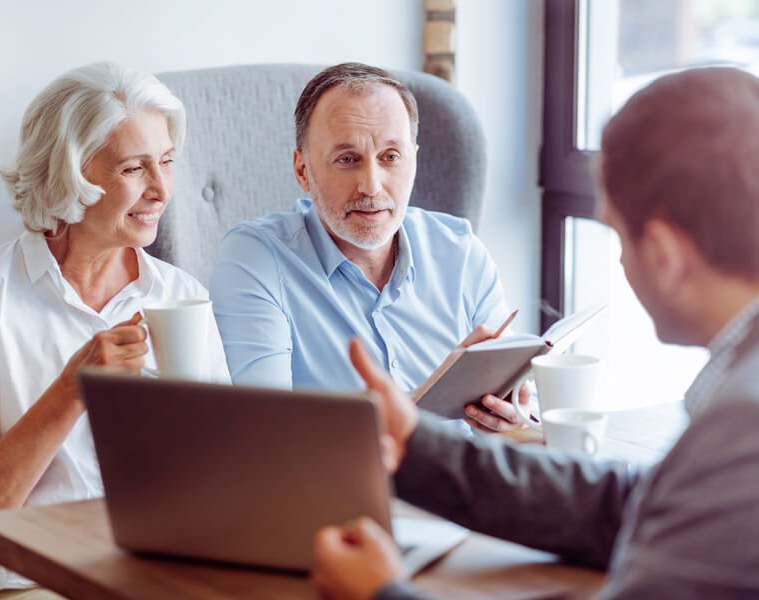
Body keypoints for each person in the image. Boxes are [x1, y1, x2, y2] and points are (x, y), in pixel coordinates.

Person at [310, 67, 759, 599]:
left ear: (664, 255)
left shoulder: (742, 422)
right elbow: (633, 506)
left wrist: (381, 594)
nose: (619, 259)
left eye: (616, 235)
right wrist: (415, 444)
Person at [0, 62, 230, 600]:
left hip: (159, 567)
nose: (161, 190)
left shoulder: (183, 296)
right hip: (27, 575)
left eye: (168, 163)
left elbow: (226, 474)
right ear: (70, 175)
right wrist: (73, 387)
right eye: (135, 168)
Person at [210, 62, 528, 432]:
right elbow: (265, 432)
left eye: (390, 157)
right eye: (347, 160)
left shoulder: (461, 252)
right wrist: (432, 398)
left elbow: (518, 417)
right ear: (302, 170)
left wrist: (511, 415)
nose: (372, 186)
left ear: (413, 160)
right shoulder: (255, 258)